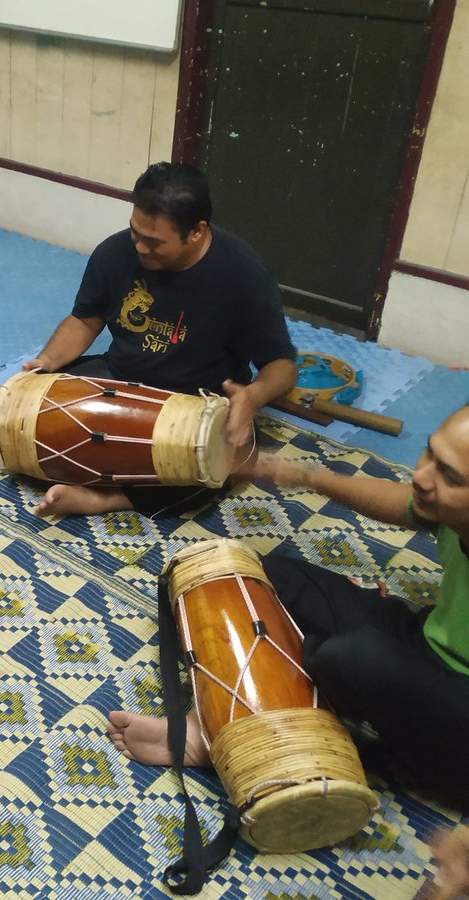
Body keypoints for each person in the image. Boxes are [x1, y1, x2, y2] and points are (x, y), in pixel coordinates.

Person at [107, 405, 469, 812]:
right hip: (425, 639)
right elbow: (407, 504)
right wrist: (308, 476)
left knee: (351, 658)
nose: (421, 476)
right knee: (265, 574)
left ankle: (241, 735)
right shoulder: (446, 508)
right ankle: (224, 720)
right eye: (429, 454)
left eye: (450, 476)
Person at [23, 162, 297, 518]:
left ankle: (107, 499)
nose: (140, 247)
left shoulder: (243, 275)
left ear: (196, 232)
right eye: (136, 232)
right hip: (118, 379)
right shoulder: (115, 252)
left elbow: (282, 367)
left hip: (193, 402)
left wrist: (253, 396)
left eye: (154, 242)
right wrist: (45, 363)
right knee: (31, 418)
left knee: (220, 464)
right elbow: (85, 321)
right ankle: (98, 473)